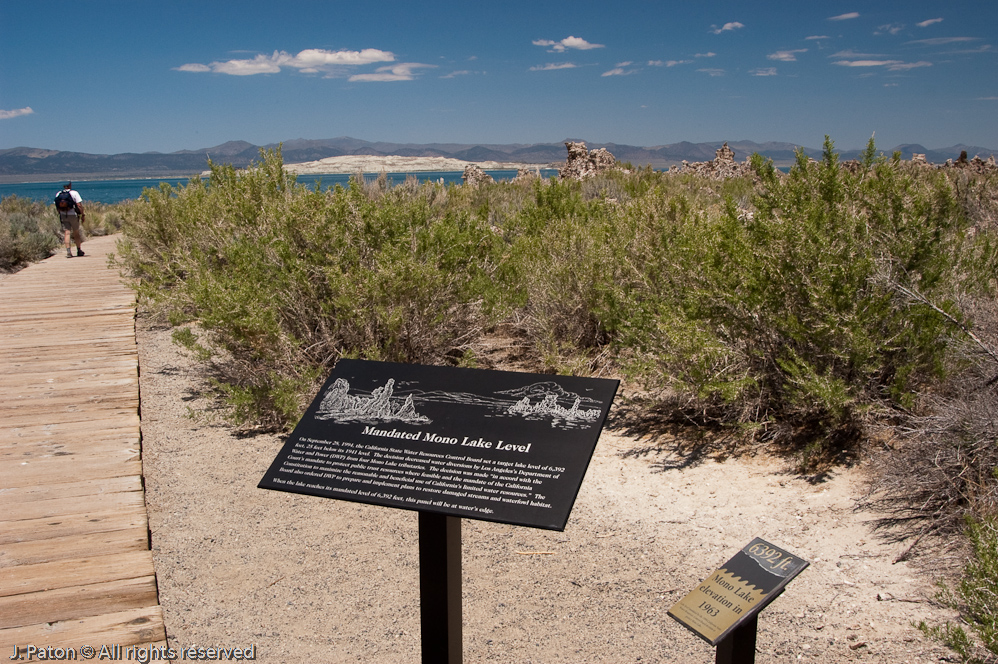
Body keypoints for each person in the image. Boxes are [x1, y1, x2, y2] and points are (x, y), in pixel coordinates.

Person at [54, 182, 85, 257]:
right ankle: (79, 250)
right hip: (73, 215)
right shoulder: (74, 193)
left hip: (63, 215)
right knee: (76, 232)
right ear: (70, 185)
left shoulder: (58, 194)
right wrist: (82, 214)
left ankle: (68, 251)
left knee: (67, 233)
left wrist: (60, 214)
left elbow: (57, 206)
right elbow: (79, 205)